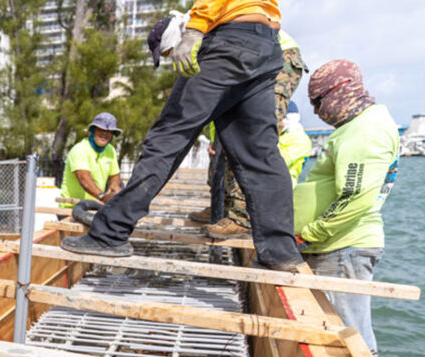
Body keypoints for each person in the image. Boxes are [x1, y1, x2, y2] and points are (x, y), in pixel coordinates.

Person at [62, 0, 304, 271]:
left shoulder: (196, 32)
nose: (172, 61)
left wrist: (195, 29)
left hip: (228, 39)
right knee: (260, 154)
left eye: (169, 53)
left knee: (165, 140)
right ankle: (280, 252)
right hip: (266, 47)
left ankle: (109, 234)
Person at [294, 60, 399, 356]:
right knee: (338, 334)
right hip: (336, 246)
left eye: (318, 101)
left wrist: (312, 233)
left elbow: (355, 197)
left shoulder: (365, 131)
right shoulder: (356, 126)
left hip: (342, 248)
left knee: (349, 338)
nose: (316, 111)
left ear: (339, 92)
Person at [202, 29, 310, 238]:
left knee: (253, 136)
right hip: (251, 60)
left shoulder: (200, 37)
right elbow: (220, 104)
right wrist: (217, 138)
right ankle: (224, 210)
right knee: (232, 134)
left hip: (277, 58)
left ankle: (242, 217)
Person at [59, 112, 122, 208]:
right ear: (93, 130)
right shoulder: (80, 149)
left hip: (94, 206)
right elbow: (84, 180)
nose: (105, 133)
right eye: (101, 129)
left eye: (109, 131)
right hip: (71, 207)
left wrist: (114, 187)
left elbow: (115, 176)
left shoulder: (110, 150)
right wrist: (103, 196)